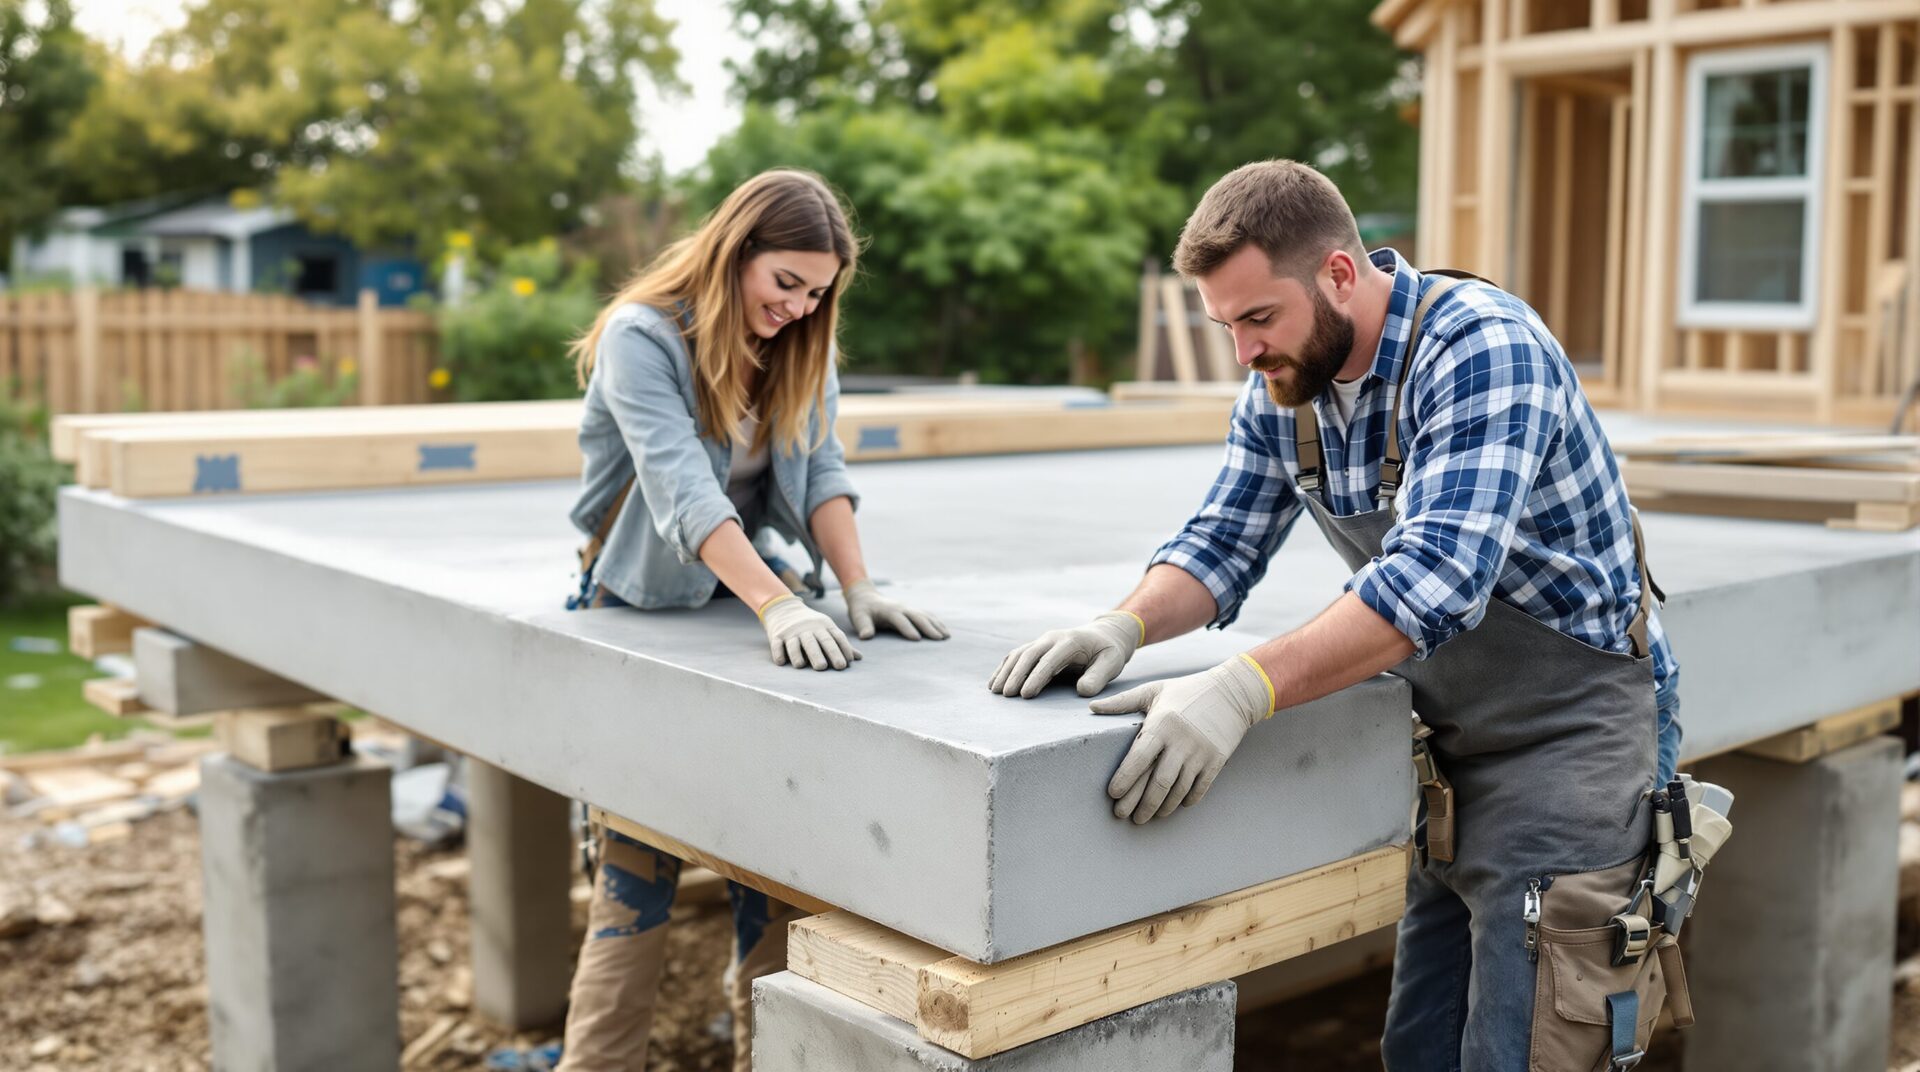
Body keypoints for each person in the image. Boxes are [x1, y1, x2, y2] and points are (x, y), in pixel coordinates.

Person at [990, 160, 1683, 1070]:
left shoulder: (1481, 348)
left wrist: (1242, 690)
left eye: (1257, 318)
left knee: (1528, 1050)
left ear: (1340, 275)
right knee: (1420, 1045)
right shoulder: (1287, 384)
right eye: (1224, 325)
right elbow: (1221, 544)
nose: (1242, 351)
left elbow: (1433, 583)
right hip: (1452, 747)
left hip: (1574, 740)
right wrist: (1122, 625)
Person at [559, 168, 949, 1072]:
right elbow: (682, 492)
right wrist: (776, 603)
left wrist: (856, 588)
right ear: (736, 253)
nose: (800, 308)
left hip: (745, 602)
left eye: (818, 294)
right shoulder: (641, 338)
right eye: (785, 284)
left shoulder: (797, 348)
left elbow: (820, 472)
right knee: (636, 870)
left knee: (769, 871)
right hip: (643, 604)